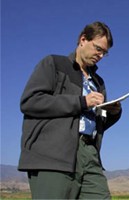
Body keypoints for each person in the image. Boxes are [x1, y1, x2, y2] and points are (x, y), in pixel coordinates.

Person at [18, 21, 122, 199]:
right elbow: (31, 101)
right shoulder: (54, 64)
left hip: (90, 153)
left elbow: (98, 123)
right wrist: (81, 102)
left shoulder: (98, 82)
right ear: (83, 40)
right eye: (98, 49)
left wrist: (113, 112)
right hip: (53, 154)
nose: (101, 56)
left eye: (105, 53)